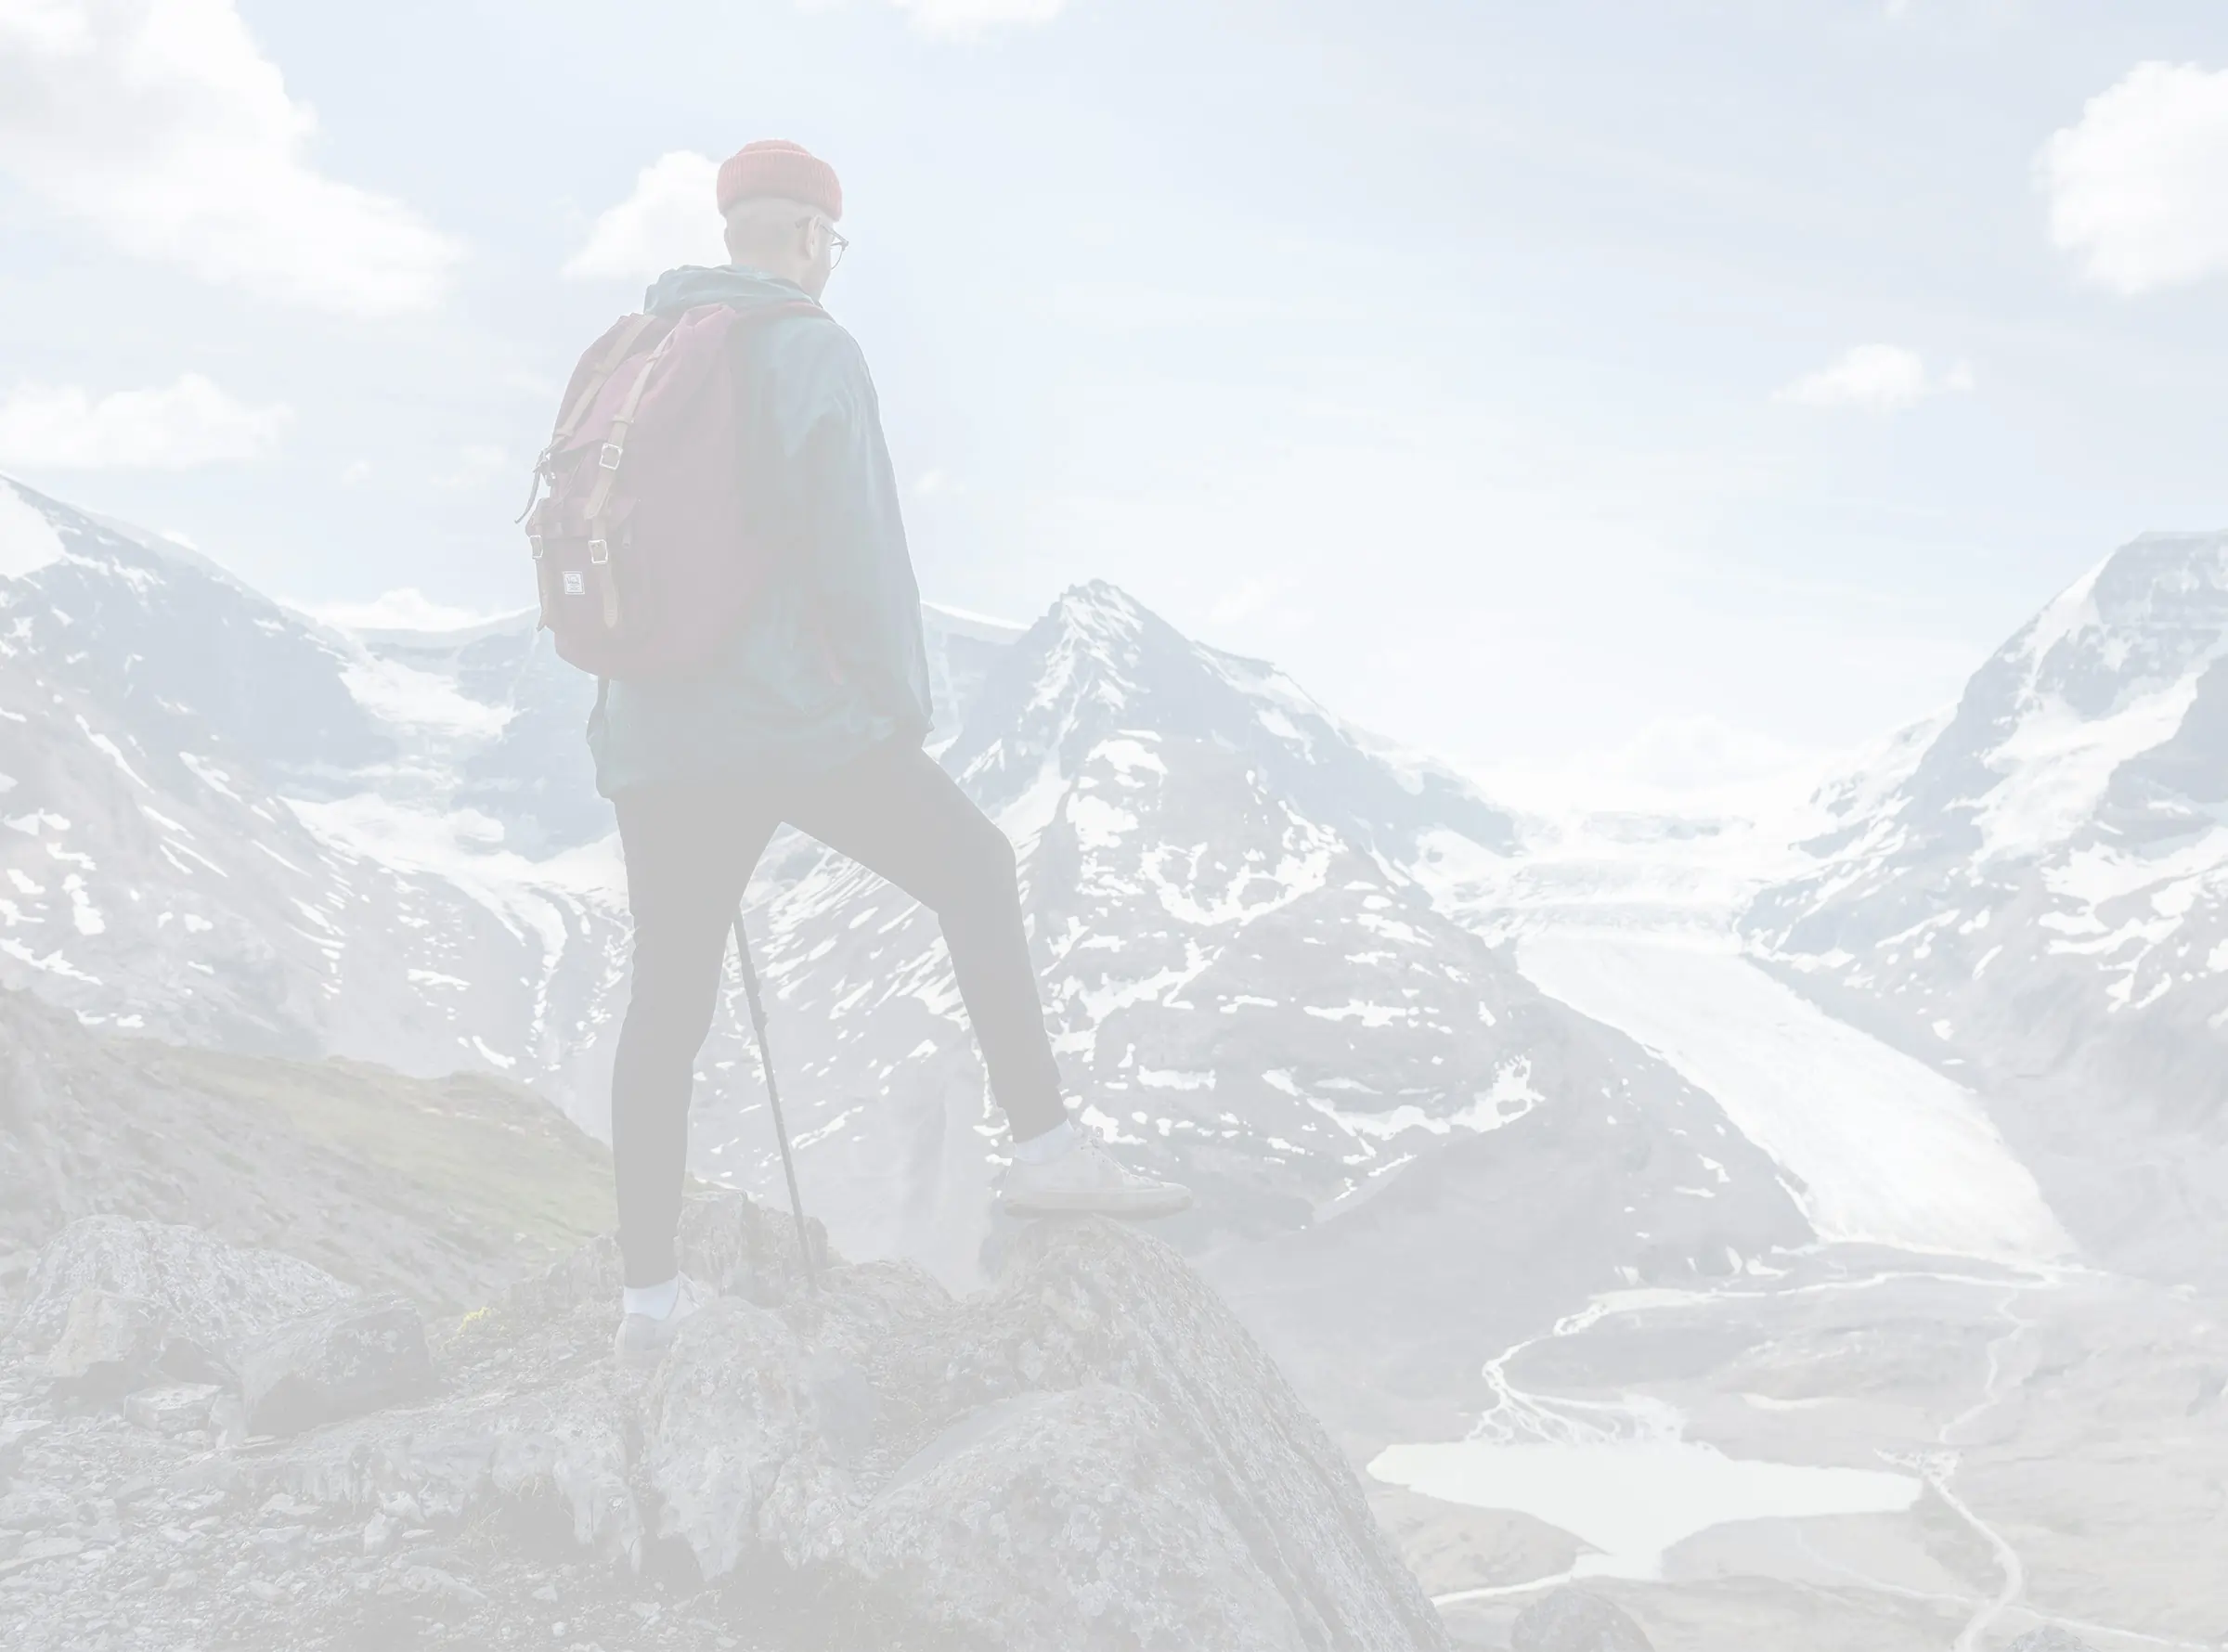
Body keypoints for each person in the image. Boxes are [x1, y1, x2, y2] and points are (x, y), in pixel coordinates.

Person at [591, 140, 1191, 1361]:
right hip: (784, 723)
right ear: (813, 240)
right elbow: (861, 554)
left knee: (666, 1003)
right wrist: (895, 713)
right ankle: (1048, 1152)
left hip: (652, 724)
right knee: (970, 867)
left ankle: (645, 1307)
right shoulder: (811, 348)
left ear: (728, 230)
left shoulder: (638, 354)